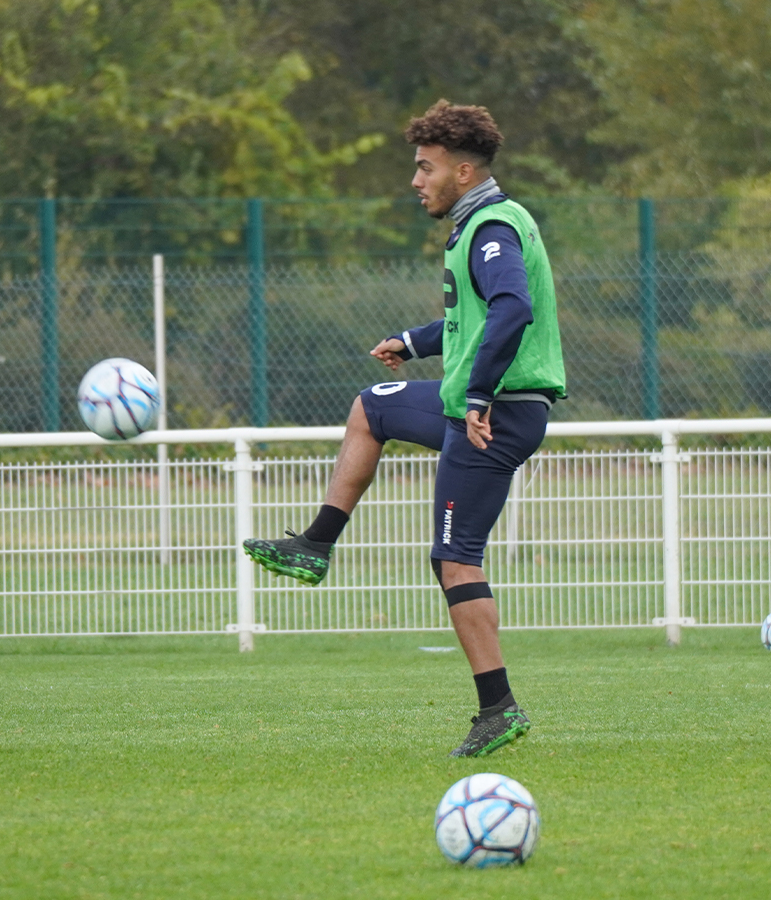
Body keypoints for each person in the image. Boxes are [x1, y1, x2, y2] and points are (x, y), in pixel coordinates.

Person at [243, 99, 567, 754]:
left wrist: (478, 396)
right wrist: (412, 342)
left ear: (465, 172)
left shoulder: (493, 228)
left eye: (426, 168)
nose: (416, 181)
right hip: (476, 403)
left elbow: (512, 308)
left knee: (453, 557)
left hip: (494, 415)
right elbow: (472, 318)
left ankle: (498, 707)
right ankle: (316, 544)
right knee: (374, 405)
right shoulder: (482, 223)